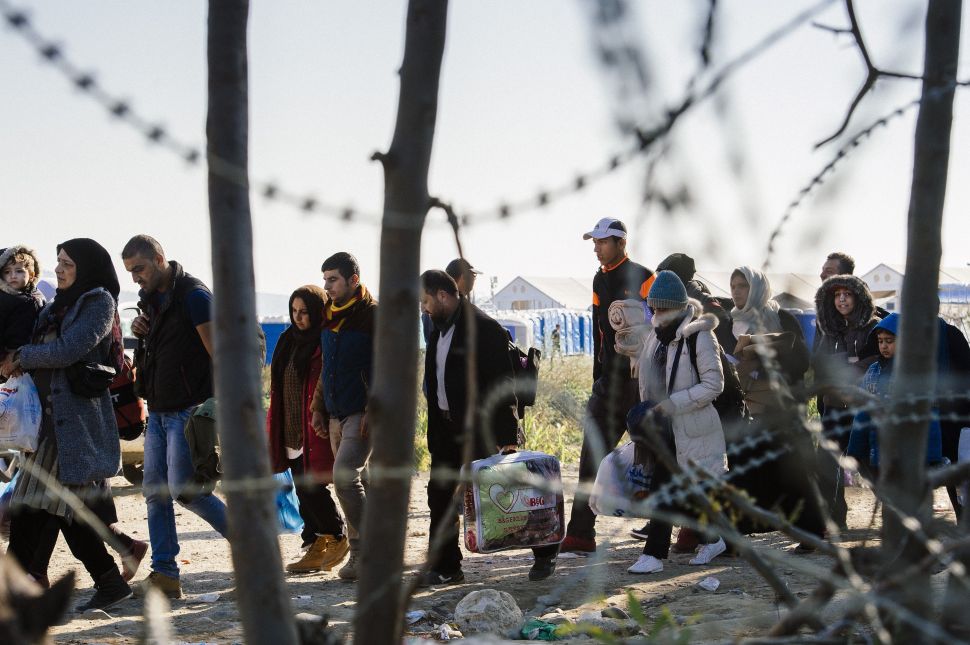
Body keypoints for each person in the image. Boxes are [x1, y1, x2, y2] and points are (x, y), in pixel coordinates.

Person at [1, 238, 132, 612]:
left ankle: (13, 590)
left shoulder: (98, 302)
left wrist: (22, 356)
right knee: (58, 508)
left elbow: (71, 349)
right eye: (57, 262)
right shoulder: (55, 307)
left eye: (67, 263)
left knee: (34, 505)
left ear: (86, 268)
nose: (58, 269)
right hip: (48, 423)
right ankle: (109, 582)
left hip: (73, 424)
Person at [418, 270, 558, 583]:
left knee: (511, 494)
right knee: (439, 495)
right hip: (446, 430)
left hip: (483, 430)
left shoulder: (485, 329)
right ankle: (446, 567)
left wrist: (506, 438)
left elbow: (503, 385)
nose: (423, 308)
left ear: (443, 295)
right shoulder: (436, 328)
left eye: (426, 301)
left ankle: (547, 549)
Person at [122, 235, 227, 599]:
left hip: (188, 410)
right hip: (160, 409)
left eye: (140, 268)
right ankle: (165, 575)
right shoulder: (151, 302)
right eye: (130, 272)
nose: (136, 277)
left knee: (186, 490)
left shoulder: (194, 296)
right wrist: (142, 334)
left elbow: (221, 353)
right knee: (155, 493)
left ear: (159, 259)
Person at [561, 218, 653, 553]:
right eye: (594, 242)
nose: (596, 248)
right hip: (608, 384)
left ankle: (678, 531)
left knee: (654, 457)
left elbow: (660, 324)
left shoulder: (645, 277)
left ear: (620, 243)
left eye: (602, 242)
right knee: (591, 454)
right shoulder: (600, 279)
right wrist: (598, 378)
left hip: (640, 383)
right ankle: (580, 534)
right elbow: (601, 334)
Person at [627, 271, 727, 573]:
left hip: (692, 427)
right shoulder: (655, 338)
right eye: (652, 308)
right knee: (666, 489)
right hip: (663, 428)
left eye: (661, 309)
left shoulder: (700, 336)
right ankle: (655, 554)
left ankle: (711, 540)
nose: (655, 314)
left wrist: (674, 404)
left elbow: (714, 384)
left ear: (678, 308)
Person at [726, 267, 824, 543]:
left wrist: (763, 357)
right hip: (748, 409)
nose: (736, 291)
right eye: (733, 286)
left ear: (757, 288)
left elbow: (802, 361)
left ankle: (810, 532)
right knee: (750, 468)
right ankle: (750, 524)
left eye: (742, 286)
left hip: (783, 408)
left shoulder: (781, 318)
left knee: (793, 470)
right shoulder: (729, 322)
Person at [267, 286, 347, 573]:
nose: (299, 318)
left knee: (312, 486)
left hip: (313, 425)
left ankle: (336, 535)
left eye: (304, 312)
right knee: (302, 487)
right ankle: (315, 542)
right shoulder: (289, 340)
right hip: (289, 424)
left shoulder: (324, 340)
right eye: (294, 312)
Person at [309, 252, 377, 581]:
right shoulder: (329, 315)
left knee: (345, 478)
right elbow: (327, 368)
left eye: (333, 279)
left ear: (353, 280)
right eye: (325, 279)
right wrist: (318, 408)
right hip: (335, 413)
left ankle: (371, 553)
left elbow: (390, 367)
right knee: (357, 484)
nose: (327, 286)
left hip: (363, 413)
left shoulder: (373, 316)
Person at [812, 274, 882, 529]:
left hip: (862, 407)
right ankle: (829, 524)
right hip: (833, 405)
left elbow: (878, 360)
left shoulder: (875, 326)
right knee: (826, 465)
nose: (841, 299)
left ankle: (899, 520)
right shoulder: (829, 329)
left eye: (847, 294)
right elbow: (820, 363)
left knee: (869, 465)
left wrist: (849, 367)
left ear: (859, 297)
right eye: (836, 295)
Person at [847, 314, 943, 479]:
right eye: (880, 341)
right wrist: (855, 450)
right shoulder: (873, 371)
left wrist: (932, 456)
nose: (884, 346)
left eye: (889, 341)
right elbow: (863, 412)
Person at [656, 253, 734, 352]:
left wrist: (724, 355)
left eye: (664, 277)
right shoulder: (670, 300)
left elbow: (722, 321)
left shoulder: (698, 297)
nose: (660, 283)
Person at [0, 246, 46, 361]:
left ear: (31, 274)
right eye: (7, 272)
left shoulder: (36, 297)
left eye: (19, 271)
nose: (13, 276)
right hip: (9, 357)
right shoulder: (6, 300)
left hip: (28, 355)